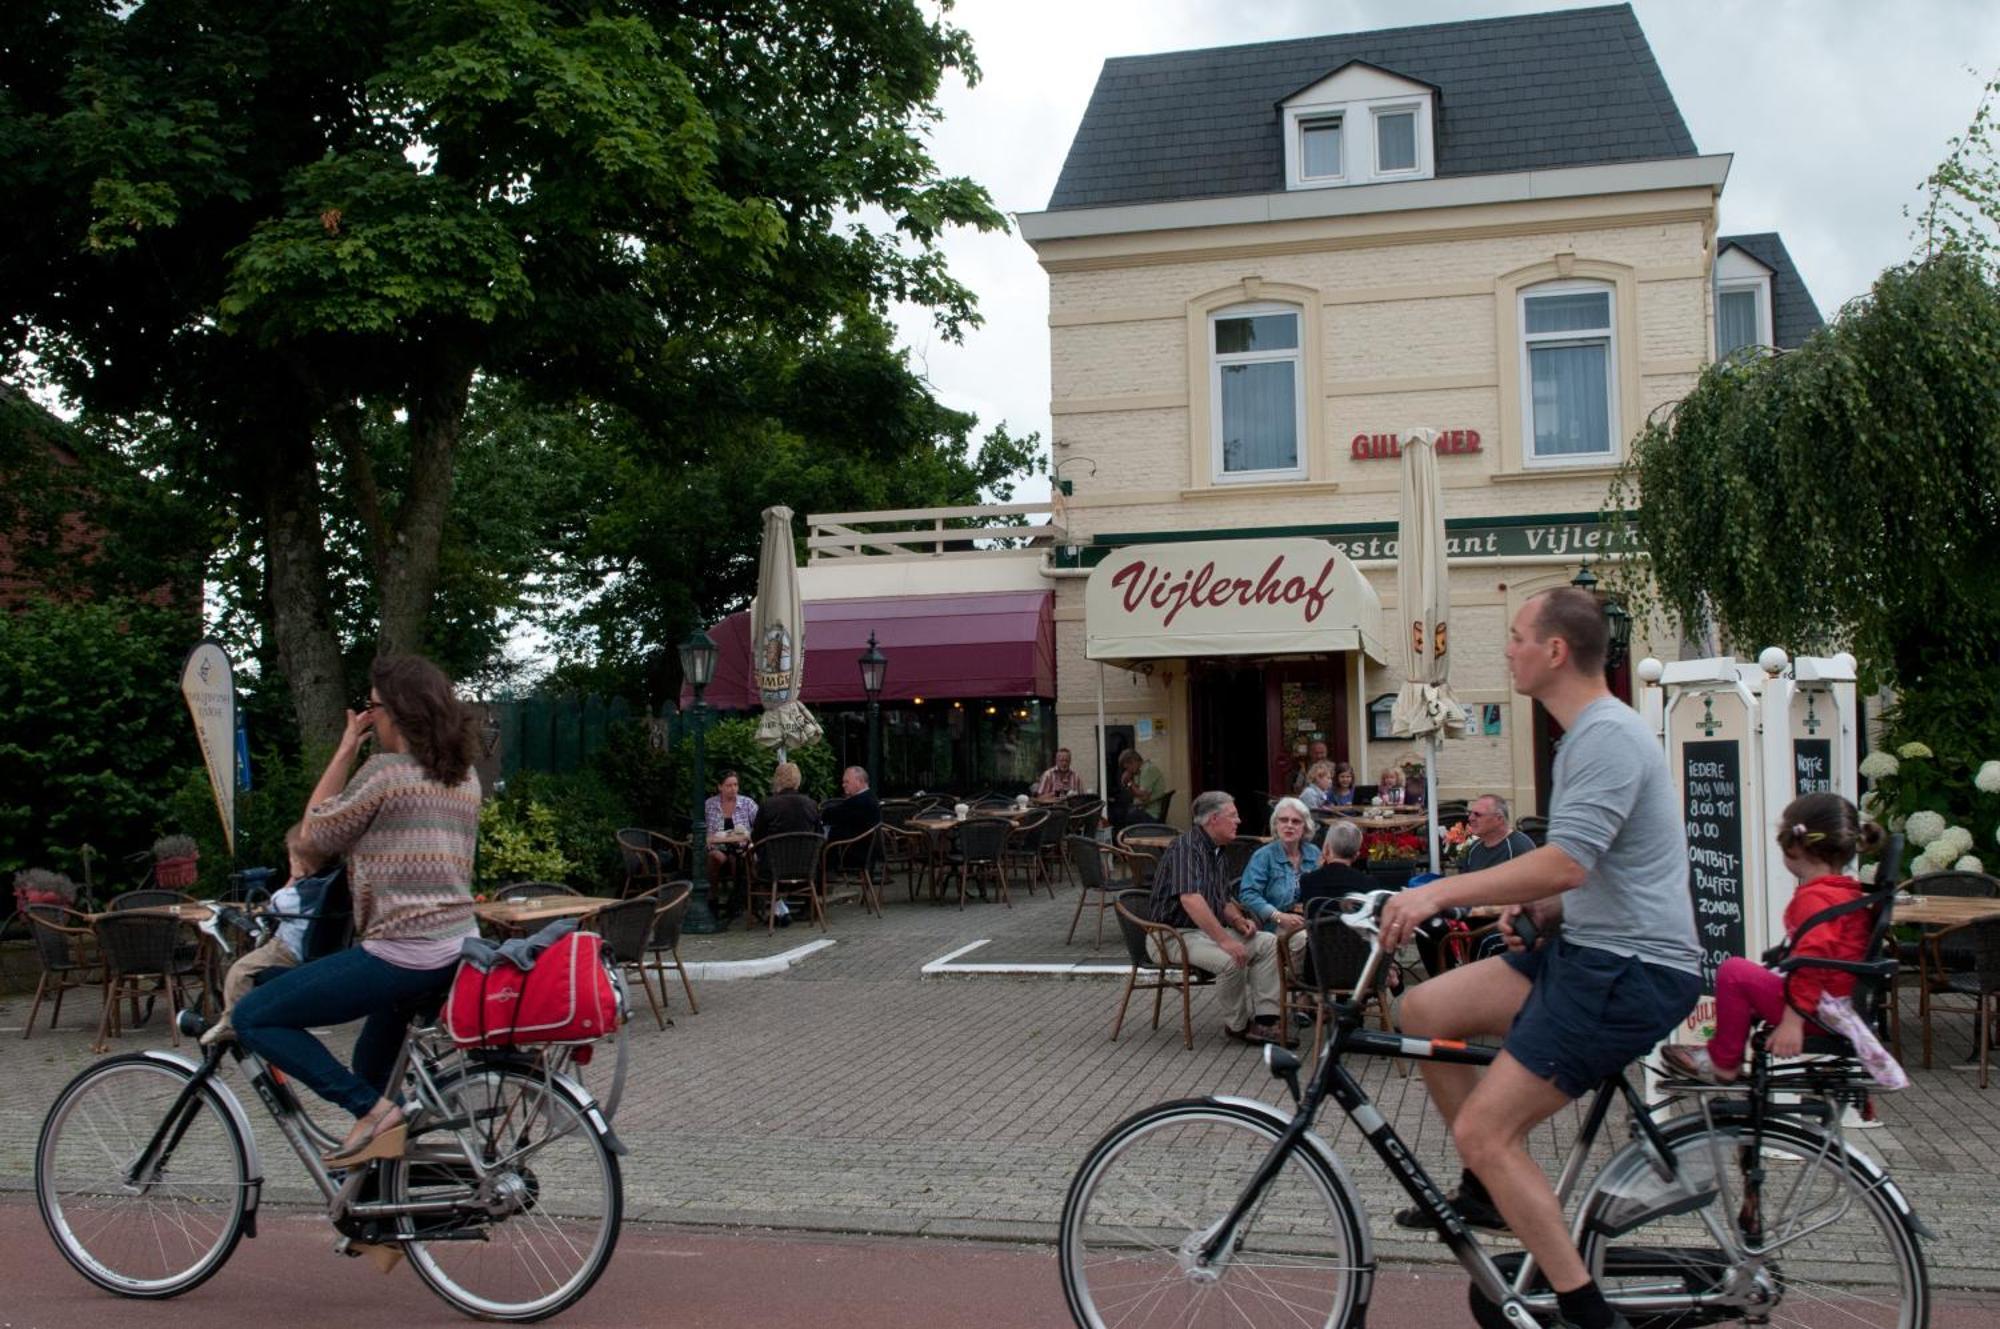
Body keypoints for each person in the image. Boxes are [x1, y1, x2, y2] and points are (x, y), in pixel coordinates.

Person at [1376, 587, 1701, 1329]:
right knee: (1425, 1007)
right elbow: (1592, 872)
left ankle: (1588, 1314)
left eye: (1518, 635)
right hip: (1589, 948)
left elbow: (1565, 863)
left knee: (1486, 1128)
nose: (1508, 648)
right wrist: (1546, 911)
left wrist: (1438, 894)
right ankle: (1490, 1190)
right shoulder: (1585, 736)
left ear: (1555, 651)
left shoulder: (1606, 735)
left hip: (1631, 970)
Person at [232, 655, 482, 1170]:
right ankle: (384, 1222)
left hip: (400, 953)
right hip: (455, 950)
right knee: (371, 1065)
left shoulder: (386, 774)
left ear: (394, 712)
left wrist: (346, 748)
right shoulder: (466, 780)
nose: (370, 716)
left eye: (373, 706)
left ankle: (373, 1113)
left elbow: (312, 838)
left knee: (254, 1015)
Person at [1663, 794, 1885, 1083]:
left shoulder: (1818, 898)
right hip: (1834, 1005)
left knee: (1734, 973)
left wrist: (1793, 1021)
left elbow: (1813, 963)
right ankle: (1722, 1050)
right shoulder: (1843, 892)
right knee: (1749, 979)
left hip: (1817, 1010)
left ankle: (1723, 1062)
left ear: (1794, 844)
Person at [1145, 791, 1284, 1043]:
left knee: (1268, 943)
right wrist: (1225, 940)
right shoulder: (1186, 848)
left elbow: (1222, 898)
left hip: (1201, 933)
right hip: (1172, 936)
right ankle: (1238, 1027)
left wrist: (1237, 921)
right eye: (1233, 815)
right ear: (1213, 819)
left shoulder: (1218, 851)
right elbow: (1191, 899)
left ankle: (1265, 1021)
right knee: (1231, 959)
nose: (1239, 821)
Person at [200, 824, 333, 1047]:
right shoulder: (328, 885)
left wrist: (293, 878)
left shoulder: (301, 893)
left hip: (288, 949)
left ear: (300, 863)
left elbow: (276, 903)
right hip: (320, 948)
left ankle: (231, 1021)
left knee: (240, 970)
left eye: (291, 858)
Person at [1237, 797, 1320, 944]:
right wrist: (1278, 916)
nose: (1289, 825)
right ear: (1275, 825)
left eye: (1296, 821)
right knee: (1305, 940)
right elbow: (1248, 895)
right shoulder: (1264, 856)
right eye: (1283, 820)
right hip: (1275, 924)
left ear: (1305, 827)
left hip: (1310, 920)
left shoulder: (1313, 853)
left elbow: (1322, 889)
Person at [1295, 820, 1374, 911]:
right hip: (1352, 925)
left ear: (1326, 849)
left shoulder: (1307, 880)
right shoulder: (1368, 883)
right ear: (1356, 856)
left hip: (1318, 925)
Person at [821, 765, 882, 870]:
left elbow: (829, 815)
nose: (843, 785)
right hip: (865, 851)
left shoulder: (859, 801)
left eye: (846, 782)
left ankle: (818, 881)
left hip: (853, 853)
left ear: (859, 781)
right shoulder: (870, 797)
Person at [704, 770, 759, 880]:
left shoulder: (747, 803)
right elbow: (708, 835)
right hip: (718, 847)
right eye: (729, 786)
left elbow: (758, 827)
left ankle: (738, 893)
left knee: (739, 858)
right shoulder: (710, 804)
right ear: (720, 787)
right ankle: (712, 894)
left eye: (735, 785)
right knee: (714, 857)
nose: (733, 789)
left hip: (742, 847)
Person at [1461, 793, 1535, 871]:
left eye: (1477, 814)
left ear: (1499, 819)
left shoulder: (1519, 848)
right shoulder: (1474, 848)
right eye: (1470, 813)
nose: (1470, 818)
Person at [751, 761, 821, 839]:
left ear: (777, 780)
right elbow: (819, 834)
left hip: (775, 850)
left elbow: (756, 837)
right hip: (807, 850)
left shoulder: (768, 805)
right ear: (799, 780)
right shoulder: (811, 804)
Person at [1118, 748, 1168, 824]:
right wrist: (1127, 784)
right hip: (1144, 810)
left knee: (1124, 815)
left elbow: (1144, 797)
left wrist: (1129, 783)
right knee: (1124, 809)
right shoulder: (1139, 772)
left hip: (1151, 814)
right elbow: (1137, 793)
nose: (1128, 771)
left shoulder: (1147, 770)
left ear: (1133, 762)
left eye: (1127, 768)